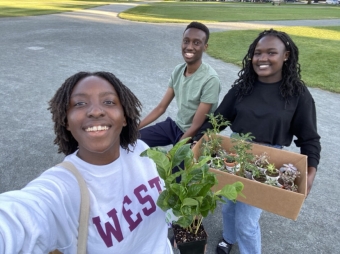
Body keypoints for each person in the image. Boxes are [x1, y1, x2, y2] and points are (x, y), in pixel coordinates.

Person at [0, 71, 173, 254]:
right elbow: (19, 219)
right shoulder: (63, 187)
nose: (96, 111)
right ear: (66, 121)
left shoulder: (141, 150)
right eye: (80, 103)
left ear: (124, 116)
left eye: (109, 102)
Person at [193, 29, 321, 254]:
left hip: (267, 162)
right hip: (234, 153)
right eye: (257, 53)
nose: (262, 58)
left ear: (286, 56)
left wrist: (310, 173)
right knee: (229, 206)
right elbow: (218, 120)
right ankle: (227, 238)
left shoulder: (297, 94)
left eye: (271, 52)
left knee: (247, 222)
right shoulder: (242, 88)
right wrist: (196, 142)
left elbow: (309, 137)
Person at [139, 21, 221, 148]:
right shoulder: (178, 70)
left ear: (205, 47)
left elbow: (196, 125)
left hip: (195, 136)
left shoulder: (210, 80)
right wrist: (134, 128)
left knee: (175, 167)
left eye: (196, 42)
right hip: (175, 126)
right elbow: (161, 107)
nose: (189, 47)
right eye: (186, 41)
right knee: (134, 140)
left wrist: (174, 152)